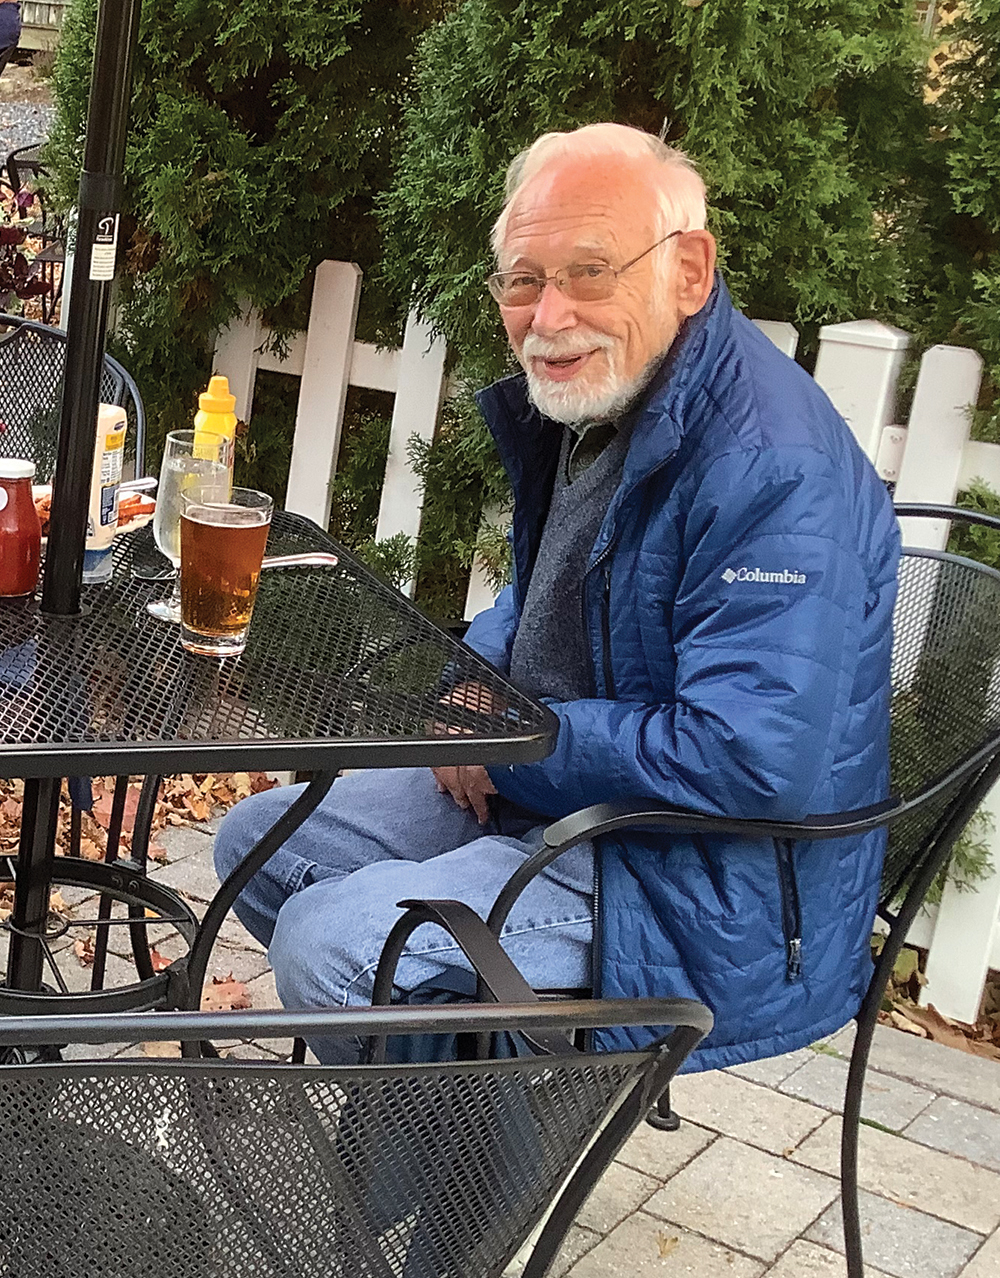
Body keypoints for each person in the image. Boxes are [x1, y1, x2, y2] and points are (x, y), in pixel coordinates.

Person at [211, 123, 900, 1071]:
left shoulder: (772, 468)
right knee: (259, 842)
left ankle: (461, 1201)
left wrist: (514, 753)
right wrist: (476, 687)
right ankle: (484, 1118)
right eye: (522, 280)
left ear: (689, 270)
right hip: (578, 795)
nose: (547, 314)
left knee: (332, 942)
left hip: (702, 877)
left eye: (590, 271)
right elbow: (545, 602)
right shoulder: (620, 395)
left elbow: (752, 758)